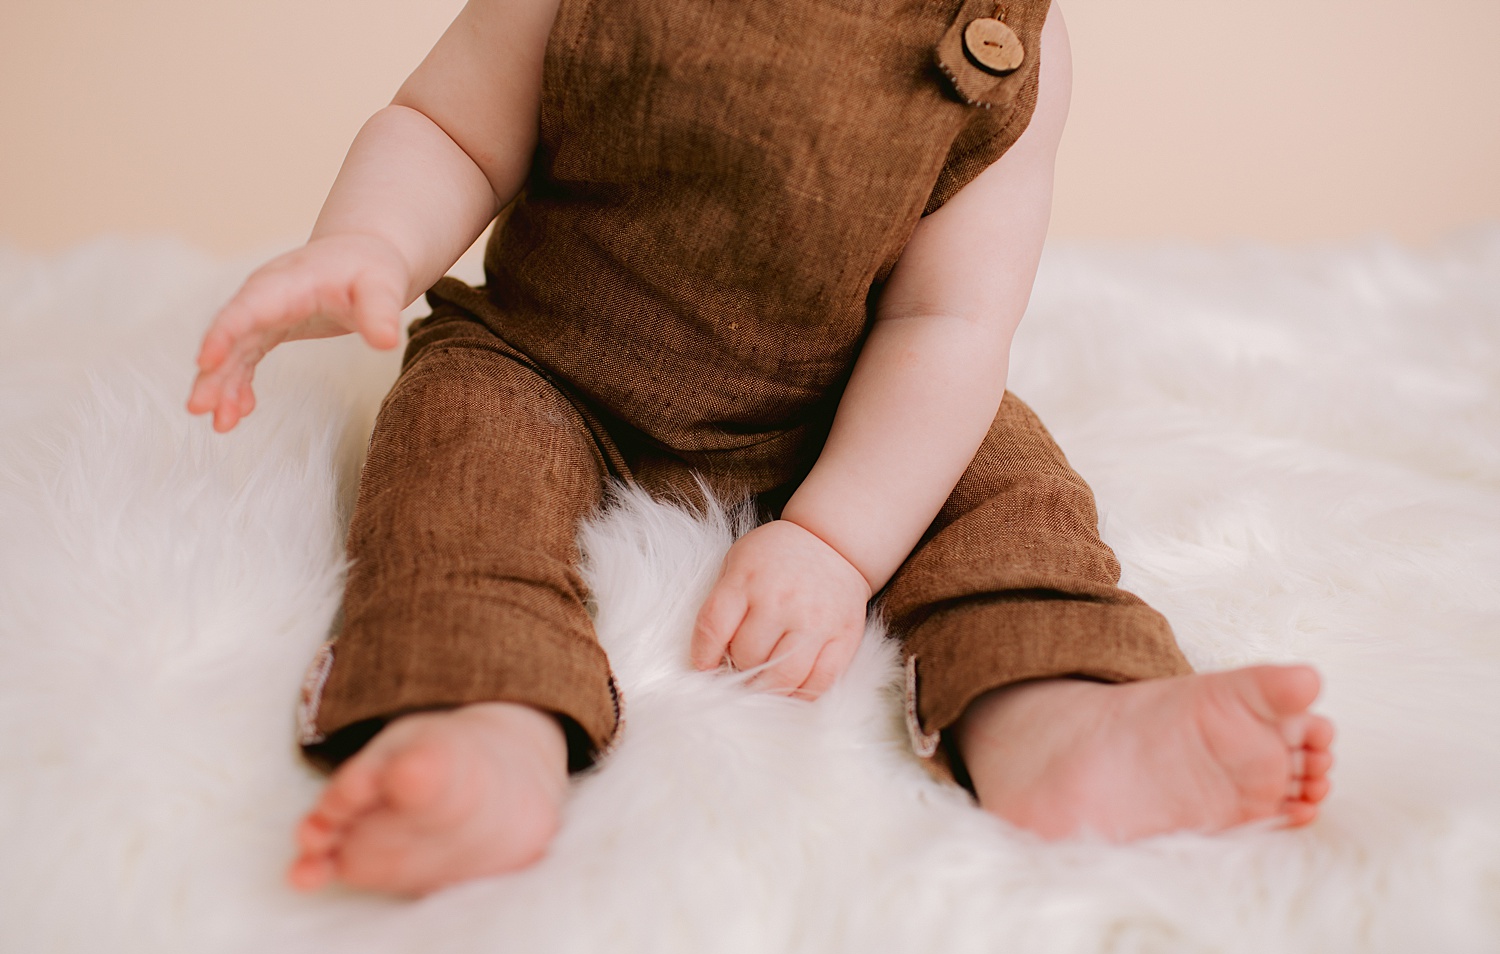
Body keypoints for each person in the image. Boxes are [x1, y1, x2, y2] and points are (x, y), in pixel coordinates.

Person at [187, 0, 1334, 896]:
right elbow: (447, 126)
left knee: (998, 473)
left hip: (837, 409)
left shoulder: (1011, 44)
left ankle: (1062, 714)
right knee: (456, 449)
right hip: (551, 361)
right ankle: (478, 713)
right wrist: (369, 245)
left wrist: (837, 541)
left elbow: (948, 324)